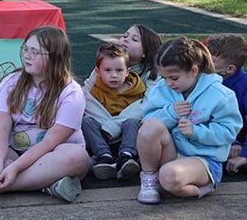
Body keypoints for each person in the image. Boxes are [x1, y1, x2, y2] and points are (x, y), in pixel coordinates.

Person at [0, 26, 89, 203]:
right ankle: (47, 185)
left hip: (53, 156)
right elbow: (1, 128)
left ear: (54, 57)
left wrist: (15, 168)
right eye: (25, 48)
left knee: (77, 157)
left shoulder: (72, 93)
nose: (27, 55)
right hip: (16, 154)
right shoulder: (11, 82)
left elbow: (51, 142)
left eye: (35, 52)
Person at [136, 36, 241, 204]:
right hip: (170, 154)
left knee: (169, 177)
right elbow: (148, 120)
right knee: (151, 126)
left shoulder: (221, 95)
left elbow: (228, 132)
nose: (168, 83)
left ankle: (203, 189)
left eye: (174, 78)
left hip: (204, 160)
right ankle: (149, 179)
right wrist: (170, 113)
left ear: (194, 71)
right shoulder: (162, 88)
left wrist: (196, 132)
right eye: (164, 77)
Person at [82, 24, 161, 145]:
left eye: (134, 39)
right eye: (125, 36)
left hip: (130, 129)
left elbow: (146, 105)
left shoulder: (152, 74)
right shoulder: (106, 63)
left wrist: (114, 125)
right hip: (101, 126)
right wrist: (105, 123)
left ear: (145, 52)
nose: (126, 39)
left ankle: (126, 156)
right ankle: (101, 155)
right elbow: (85, 94)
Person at [82, 43, 145, 180]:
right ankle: (105, 157)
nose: (114, 75)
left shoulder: (137, 91)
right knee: (86, 121)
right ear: (98, 72)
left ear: (127, 72)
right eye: (108, 70)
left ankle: (126, 157)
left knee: (133, 122)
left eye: (119, 70)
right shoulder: (96, 89)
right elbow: (83, 98)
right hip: (102, 137)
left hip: (126, 138)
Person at [205, 33, 247, 175]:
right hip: (216, 136)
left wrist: (244, 154)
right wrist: (231, 140)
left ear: (229, 69)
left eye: (211, 61)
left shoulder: (244, 86)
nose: (204, 63)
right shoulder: (202, 80)